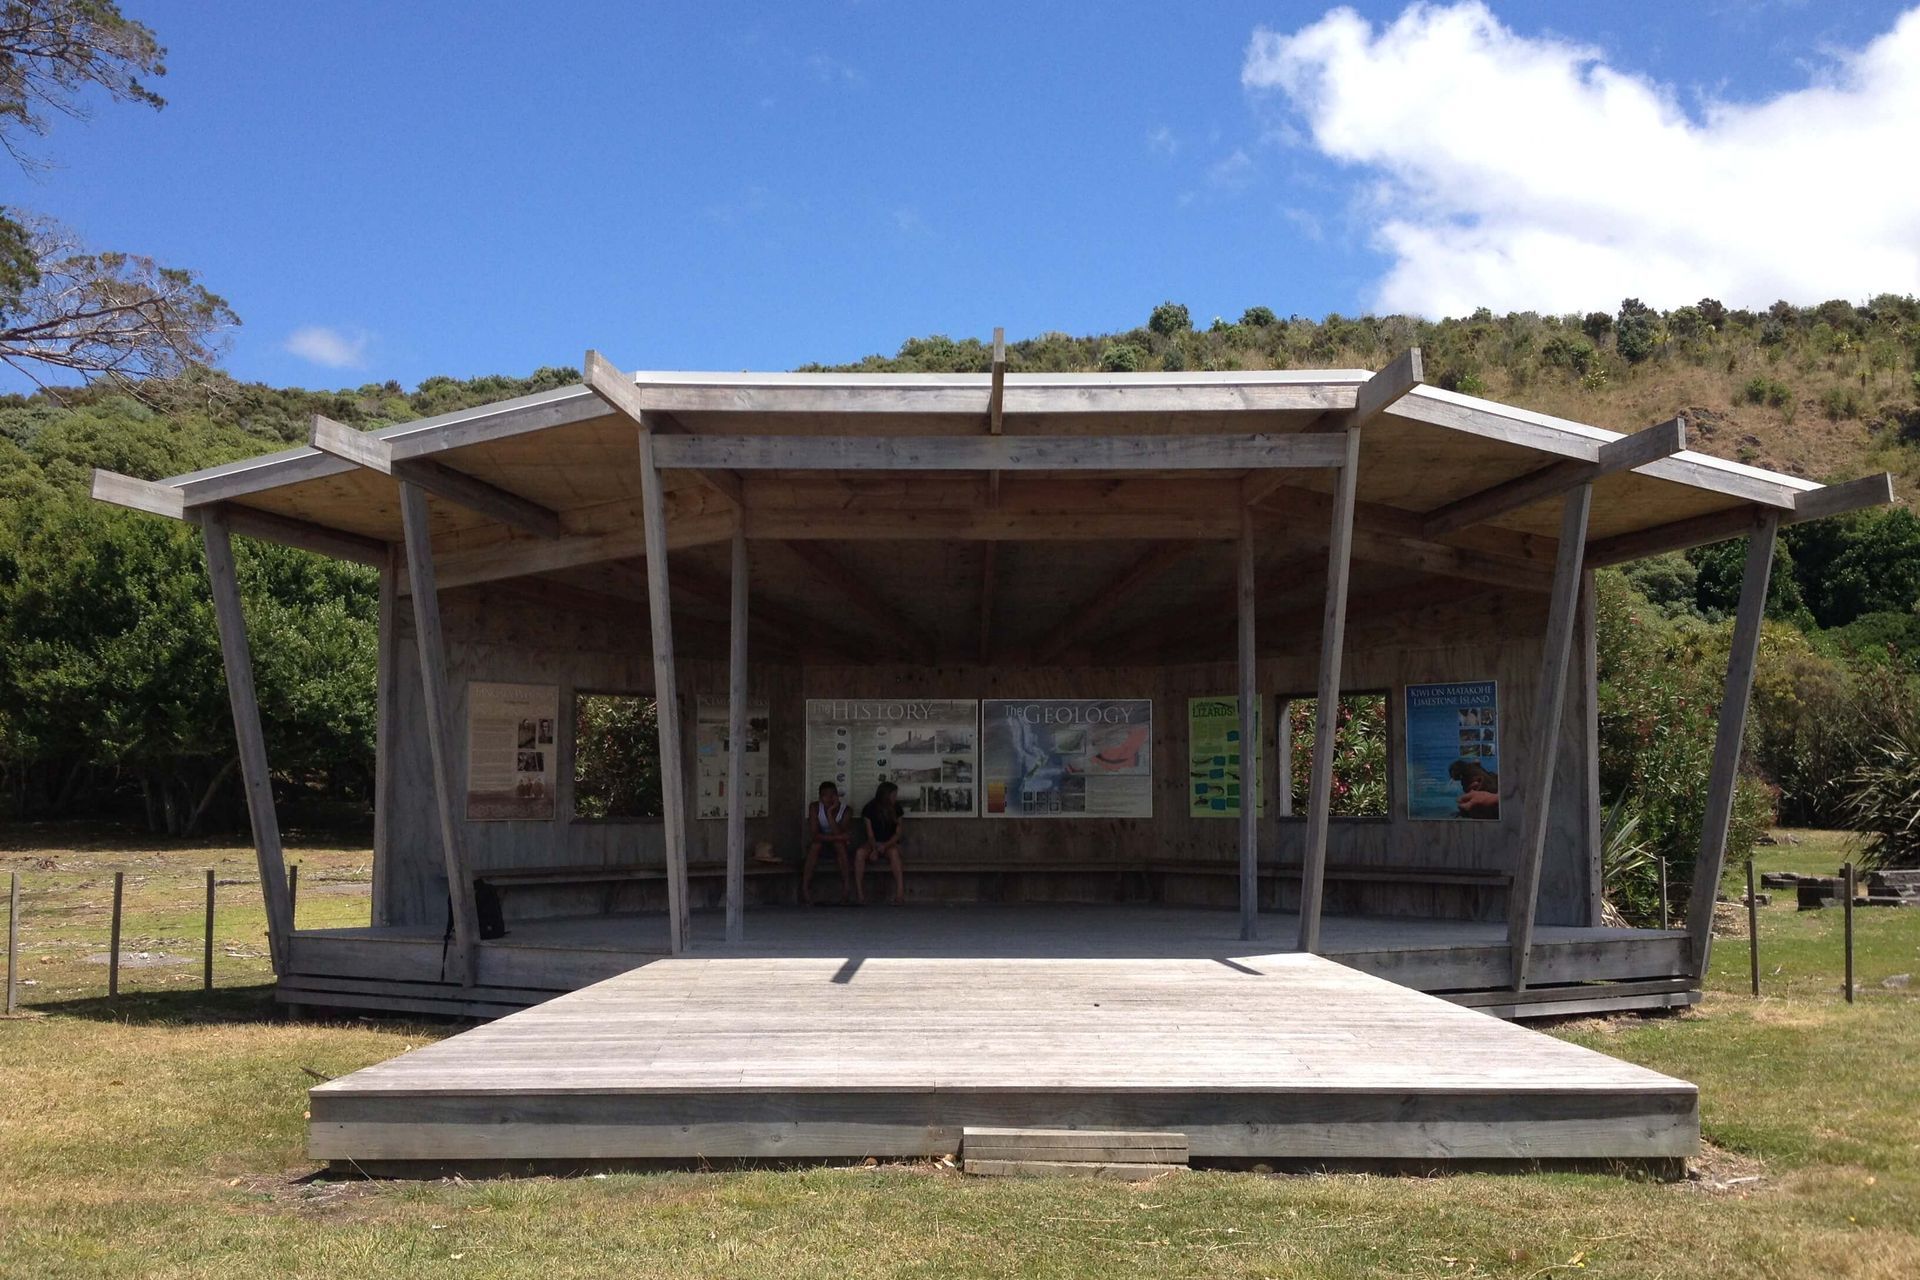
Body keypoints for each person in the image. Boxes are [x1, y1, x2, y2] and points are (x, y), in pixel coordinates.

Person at [854, 780, 907, 905]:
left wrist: (885, 846)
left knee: (894, 853)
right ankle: (860, 894)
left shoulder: (897, 808)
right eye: (893, 795)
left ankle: (900, 893)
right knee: (860, 853)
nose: (895, 798)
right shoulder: (869, 808)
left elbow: (898, 834)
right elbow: (870, 834)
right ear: (885, 795)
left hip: (889, 843)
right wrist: (874, 849)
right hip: (873, 842)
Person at [801, 781, 853, 905]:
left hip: (837, 846)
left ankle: (846, 887)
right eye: (825, 795)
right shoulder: (814, 807)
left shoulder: (846, 810)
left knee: (839, 845)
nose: (829, 798)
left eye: (832, 795)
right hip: (821, 845)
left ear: (837, 796)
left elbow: (839, 831)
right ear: (820, 797)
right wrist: (840, 837)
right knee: (815, 846)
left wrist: (830, 814)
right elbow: (814, 835)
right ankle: (805, 888)